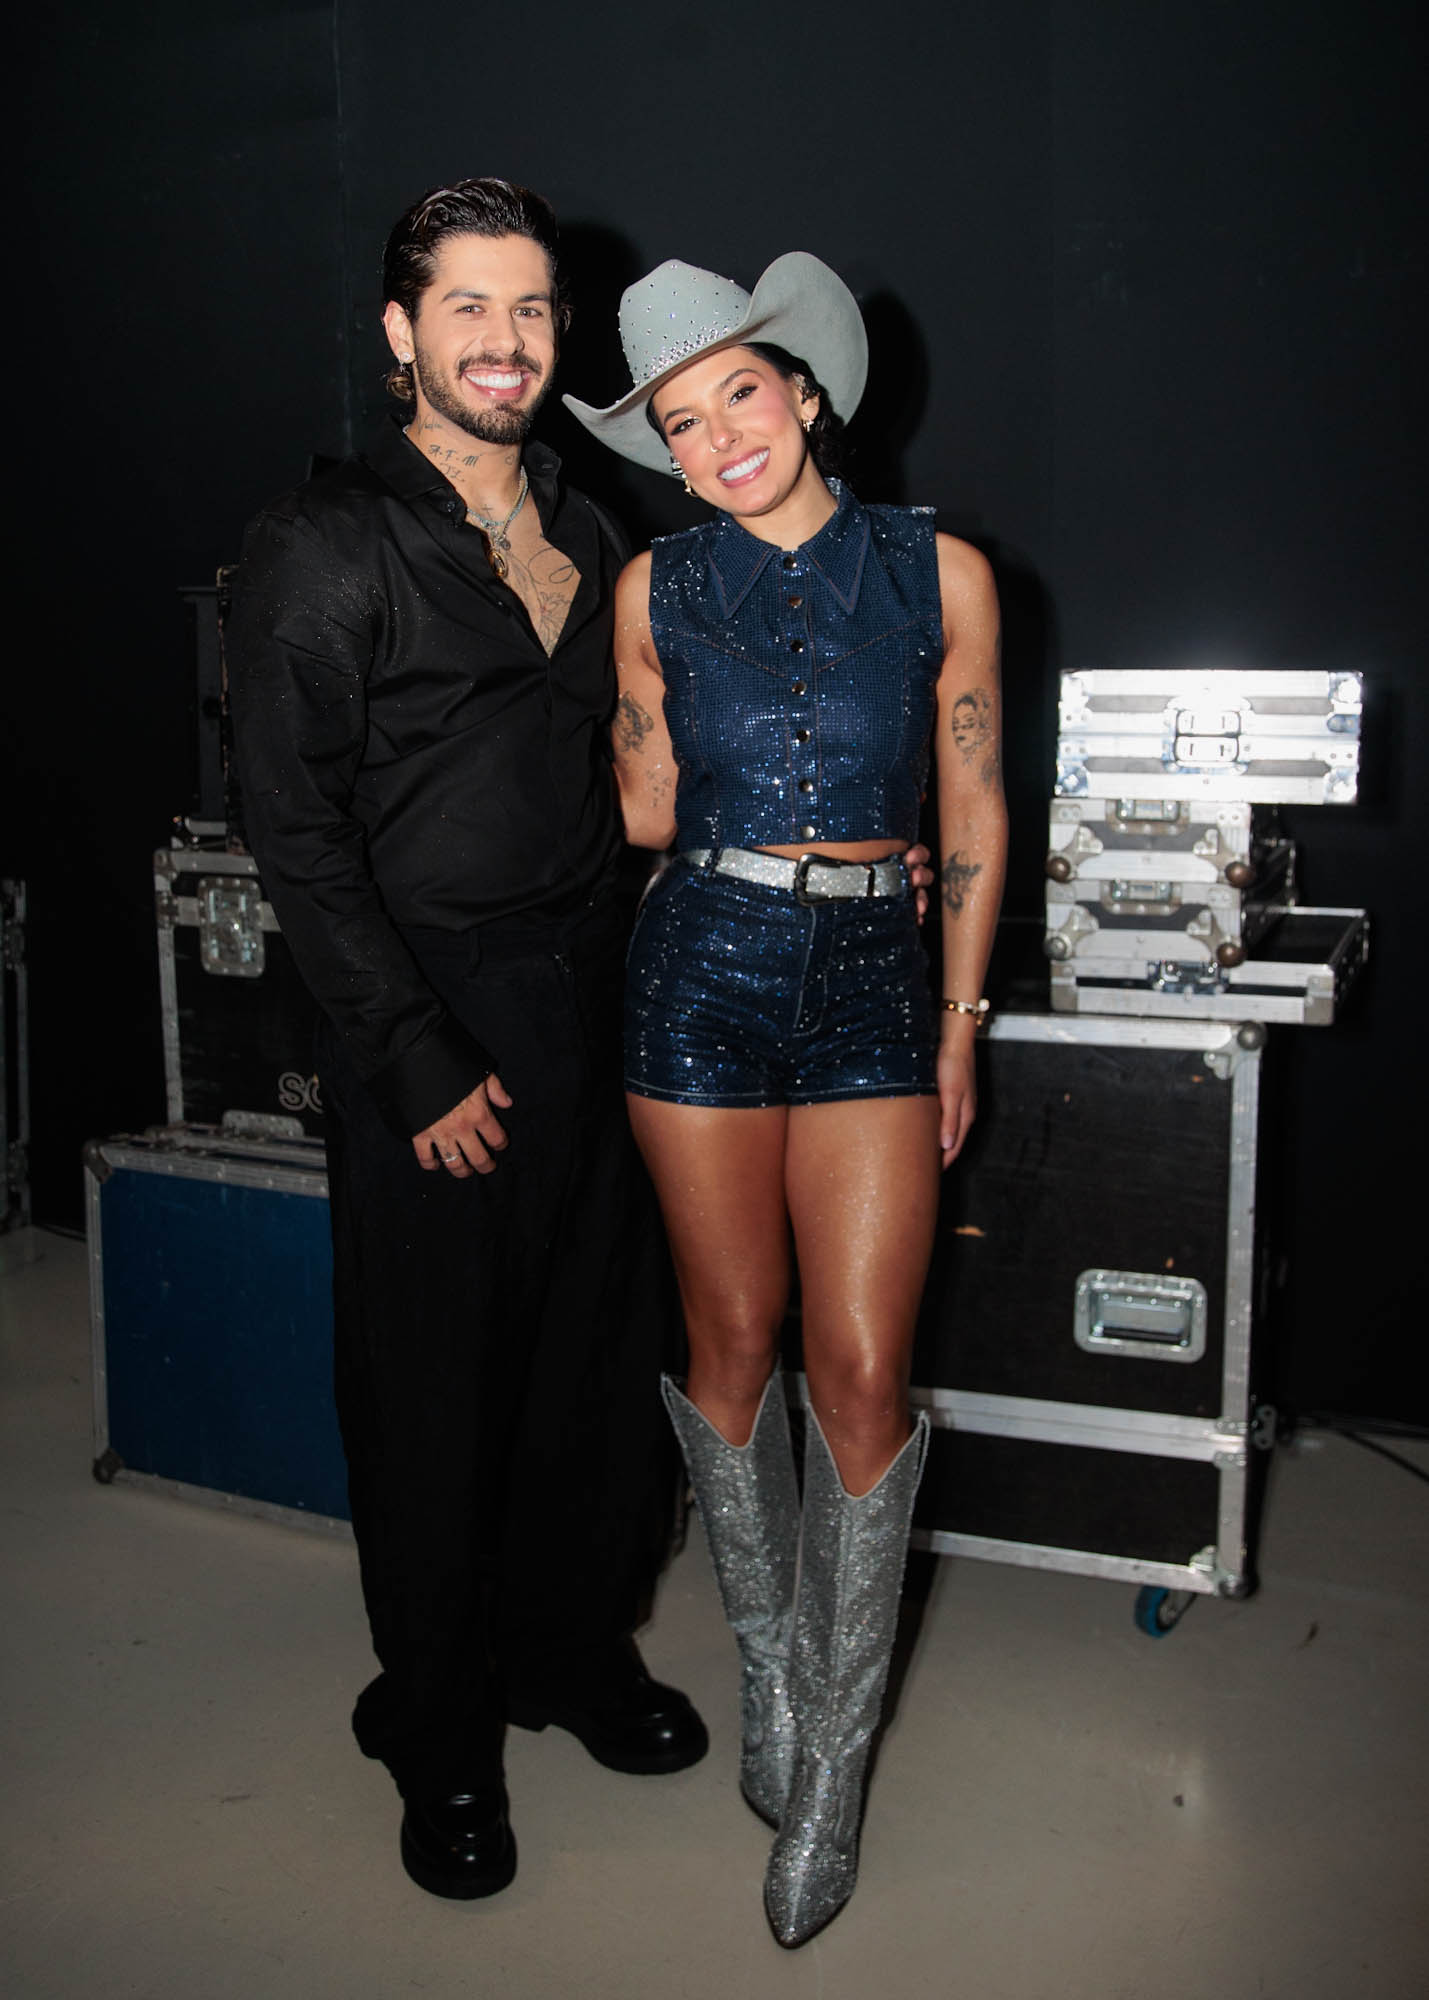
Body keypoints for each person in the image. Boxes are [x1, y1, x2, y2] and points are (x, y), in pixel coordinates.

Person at [223, 179, 714, 1904]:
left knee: (597, 1368)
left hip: (602, 1007)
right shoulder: (325, 542)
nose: (505, 342)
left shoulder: (596, 524)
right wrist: (412, 1057)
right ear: (400, 334)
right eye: (468, 309)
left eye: (531, 312)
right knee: (434, 1398)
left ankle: (567, 1656)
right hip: (433, 1025)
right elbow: (294, 835)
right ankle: (434, 1725)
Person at [564, 251, 1007, 1946]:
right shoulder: (652, 592)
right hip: (699, 969)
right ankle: (766, 1676)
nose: (717, 436)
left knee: (864, 1367)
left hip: (878, 992)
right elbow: (648, 812)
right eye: (681, 423)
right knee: (732, 1343)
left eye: (737, 392)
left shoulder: (940, 571)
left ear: (803, 391)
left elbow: (971, 807)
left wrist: (960, 1022)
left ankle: (833, 1760)